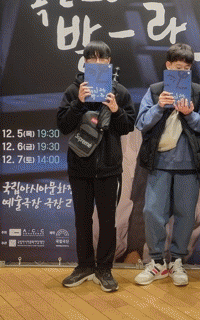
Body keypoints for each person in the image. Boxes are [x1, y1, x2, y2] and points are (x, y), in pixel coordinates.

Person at [57, 41, 136, 293]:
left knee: (108, 221)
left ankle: (104, 268)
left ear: (109, 62)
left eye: (103, 59)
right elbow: (63, 125)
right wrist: (78, 103)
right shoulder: (74, 89)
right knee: (82, 220)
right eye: (93, 59)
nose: (98, 63)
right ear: (85, 62)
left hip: (109, 168)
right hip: (79, 167)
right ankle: (84, 266)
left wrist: (116, 109)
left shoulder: (119, 91)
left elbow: (128, 126)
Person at [133, 43, 200, 287]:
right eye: (178, 68)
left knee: (185, 215)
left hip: (189, 164)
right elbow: (141, 123)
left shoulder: (198, 93)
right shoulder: (155, 91)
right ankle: (157, 262)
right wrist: (159, 106)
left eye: (187, 69)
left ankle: (177, 261)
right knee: (152, 212)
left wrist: (190, 114)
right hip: (159, 163)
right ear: (168, 66)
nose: (182, 73)